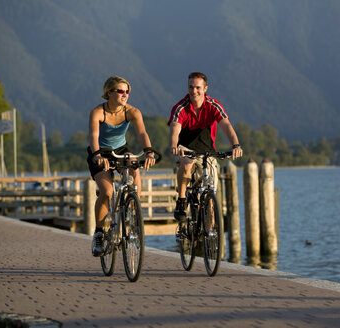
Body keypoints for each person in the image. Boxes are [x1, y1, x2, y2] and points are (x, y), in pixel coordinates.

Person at [88, 75, 156, 257]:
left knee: (134, 165)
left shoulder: (132, 112)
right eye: (120, 91)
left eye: (127, 92)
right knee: (107, 192)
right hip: (100, 151)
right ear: (108, 93)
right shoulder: (98, 112)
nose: (125, 95)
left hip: (120, 149)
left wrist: (149, 152)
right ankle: (100, 233)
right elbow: (94, 137)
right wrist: (98, 156)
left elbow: (142, 133)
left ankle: (134, 210)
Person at [168, 72, 243, 221]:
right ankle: (182, 201)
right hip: (185, 148)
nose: (194, 91)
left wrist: (236, 145)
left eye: (197, 88)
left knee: (210, 193)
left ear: (205, 88)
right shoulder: (180, 107)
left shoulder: (213, 106)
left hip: (207, 150)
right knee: (187, 165)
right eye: (191, 87)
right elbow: (175, 129)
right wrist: (173, 146)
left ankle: (210, 234)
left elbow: (226, 125)